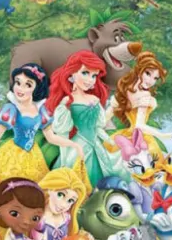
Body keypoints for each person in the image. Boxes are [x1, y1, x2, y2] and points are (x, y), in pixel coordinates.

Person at [0, 64, 82, 182]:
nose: (20, 88)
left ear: (36, 89)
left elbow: (51, 138)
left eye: (28, 85)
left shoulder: (41, 111)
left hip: (33, 157)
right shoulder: (11, 109)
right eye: (18, 83)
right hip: (12, 156)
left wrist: (74, 145)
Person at [45, 51, 122, 187]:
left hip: (97, 147)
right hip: (77, 148)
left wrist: (110, 141)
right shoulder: (67, 101)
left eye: (94, 76)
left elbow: (98, 127)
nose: (90, 79)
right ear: (72, 74)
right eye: (85, 73)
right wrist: (65, 158)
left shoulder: (95, 99)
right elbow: (62, 133)